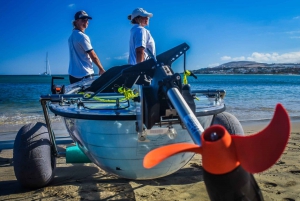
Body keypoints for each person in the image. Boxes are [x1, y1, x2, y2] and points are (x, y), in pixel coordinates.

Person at [68, 10, 105, 84]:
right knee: (88, 95)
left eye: (87, 20)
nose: (86, 21)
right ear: (76, 21)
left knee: (77, 95)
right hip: (85, 74)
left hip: (72, 75)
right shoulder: (82, 37)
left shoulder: (71, 37)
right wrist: (101, 69)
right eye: (83, 20)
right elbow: (93, 55)